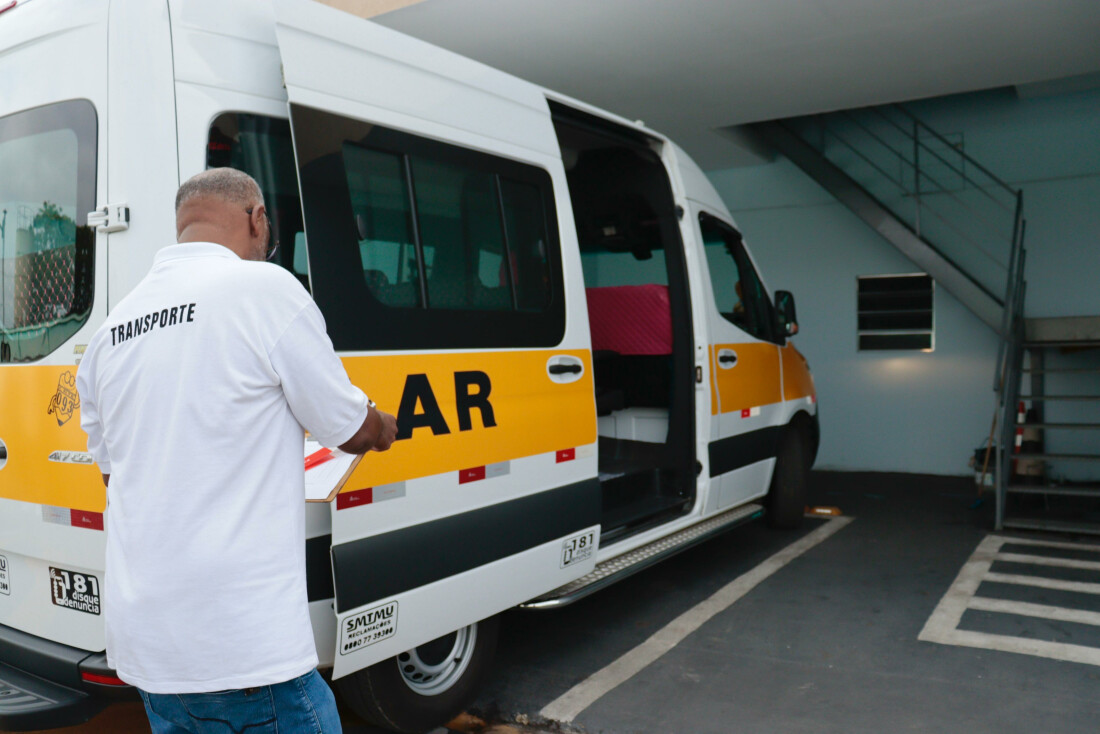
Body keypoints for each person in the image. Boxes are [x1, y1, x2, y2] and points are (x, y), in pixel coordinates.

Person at [75, 168, 397, 733]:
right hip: (245, 653)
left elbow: (116, 476)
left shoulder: (110, 332)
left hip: (150, 656)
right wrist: (380, 425)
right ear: (257, 219)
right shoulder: (264, 289)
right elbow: (346, 425)